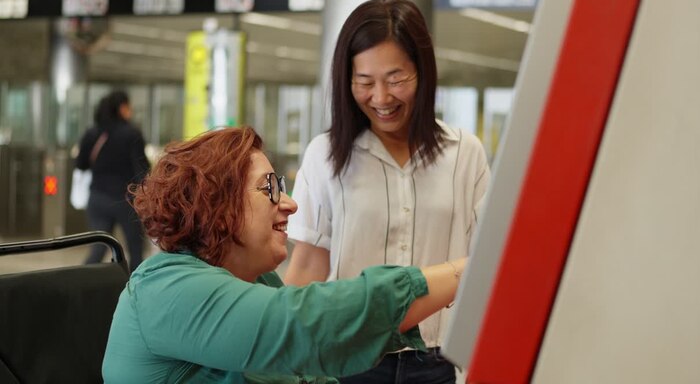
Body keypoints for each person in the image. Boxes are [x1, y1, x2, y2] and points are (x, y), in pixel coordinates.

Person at [102, 126, 468, 384]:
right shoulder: (167, 289)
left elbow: (306, 368)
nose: (290, 204)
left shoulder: (250, 277)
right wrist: (462, 274)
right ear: (215, 202)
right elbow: (306, 325)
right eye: (270, 188)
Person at [284, 0, 490, 384]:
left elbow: (485, 264)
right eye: (364, 82)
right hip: (348, 358)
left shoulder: (465, 153)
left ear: (422, 73)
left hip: (438, 362)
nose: (381, 98)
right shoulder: (325, 155)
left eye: (396, 79)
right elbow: (309, 268)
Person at [75, 90, 150, 271]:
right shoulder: (132, 134)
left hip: (98, 197)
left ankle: (80, 285)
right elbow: (142, 170)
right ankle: (135, 291)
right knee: (135, 249)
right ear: (122, 108)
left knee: (98, 248)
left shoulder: (92, 133)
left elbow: (81, 164)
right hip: (126, 200)